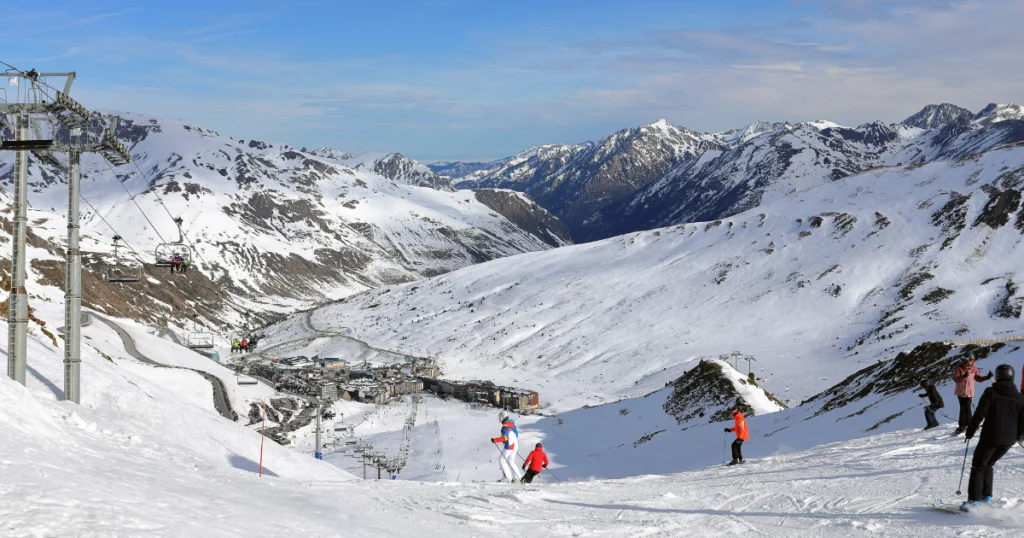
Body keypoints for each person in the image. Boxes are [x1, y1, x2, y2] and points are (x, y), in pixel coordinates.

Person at [961, 364, 1024, 512]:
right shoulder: (1021, 398)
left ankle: (974, 502)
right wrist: (1018, 437)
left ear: (997, 376)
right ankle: (986, 497)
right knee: (988, 464)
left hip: (991, 436)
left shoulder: (991, 392)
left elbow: (979, 414)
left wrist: (970, 431)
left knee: (978, 465)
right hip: (1008, 440)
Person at [953, 356, 993, 435]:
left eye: (973, 359)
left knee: (967, 408)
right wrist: (963, 377)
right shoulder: (959, 368)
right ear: (965, 359)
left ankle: (968, 424)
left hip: (969, 392)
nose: (971, 361)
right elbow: (956, 379)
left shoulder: (974, 368)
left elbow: (978, 378)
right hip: (961, 392)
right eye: (970, 359)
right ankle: (963, 425)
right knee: (963, 408)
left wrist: (987, 377)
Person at [490, 410, 521, 482]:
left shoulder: (505, 427)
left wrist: (495, 440)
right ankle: (518, 477)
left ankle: (507, 477)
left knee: (502, 460)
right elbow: (516, 435)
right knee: (511, 461)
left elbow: (505, 437)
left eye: (500, 419)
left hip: (509, 446)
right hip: (515, 445)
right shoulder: (512, 425)